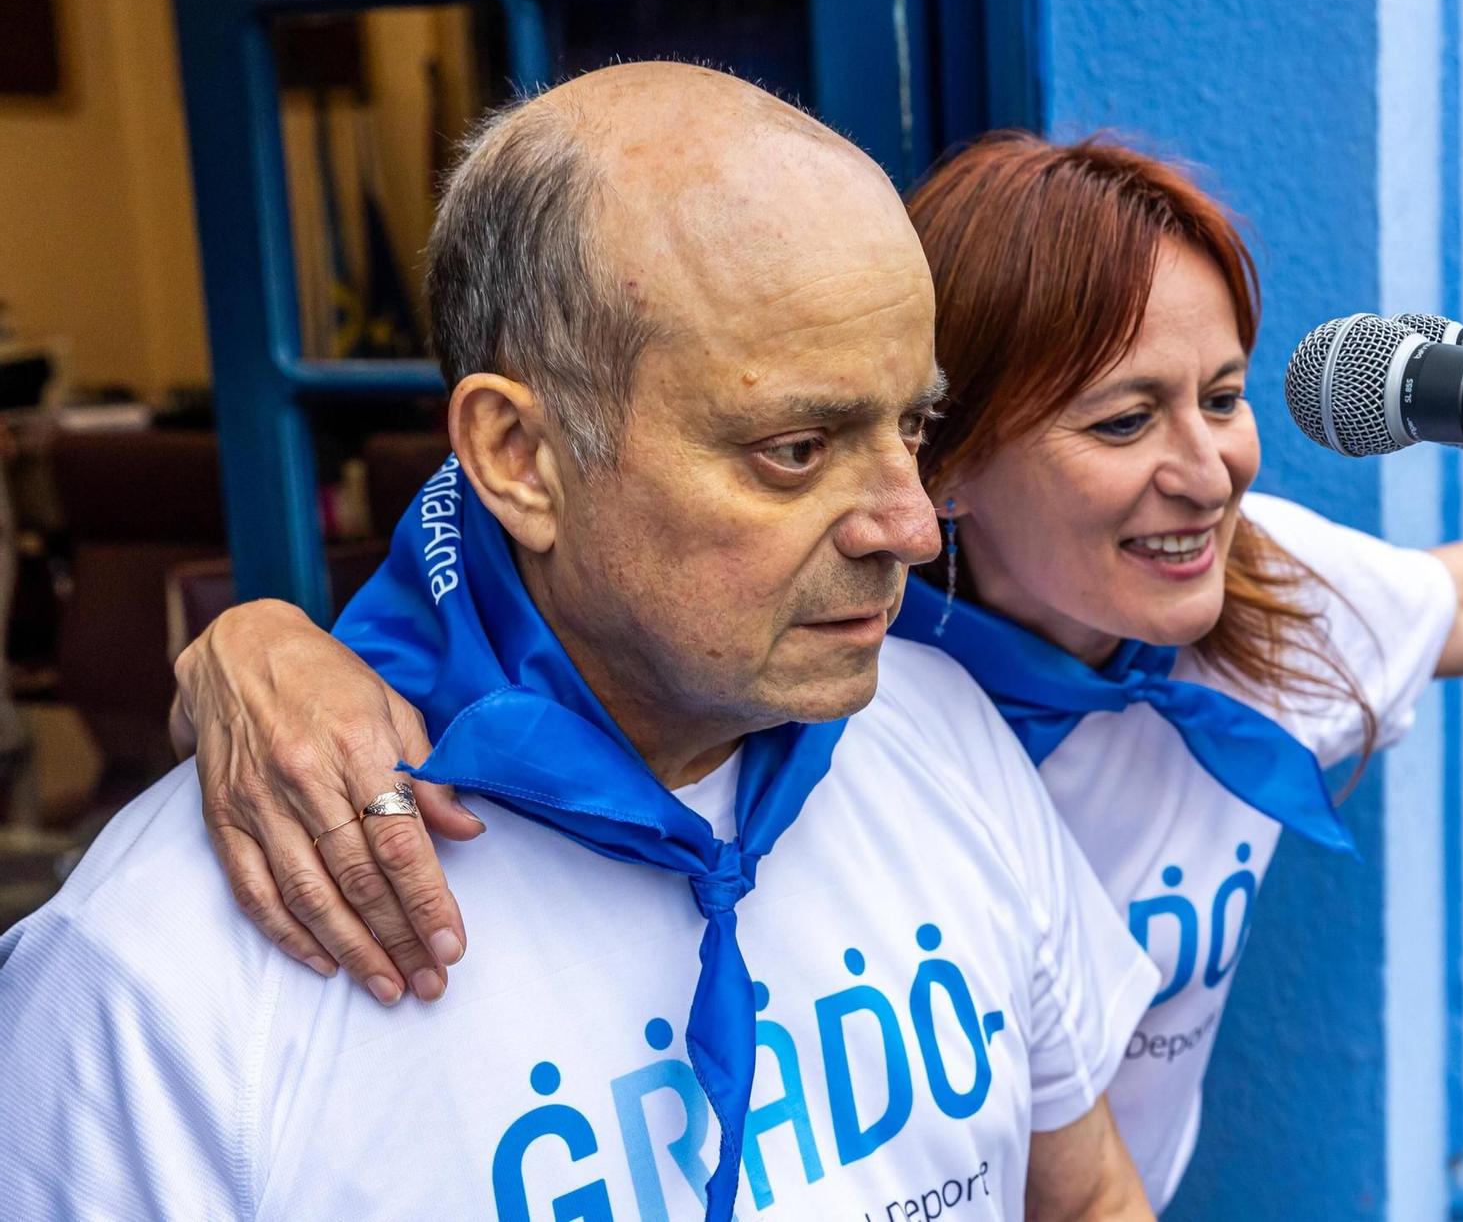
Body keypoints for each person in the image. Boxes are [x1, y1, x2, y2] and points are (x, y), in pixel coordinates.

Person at [169, 132, 1463, 1209]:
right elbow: (523, 596)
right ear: (950, 462)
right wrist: (250, 646)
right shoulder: (828, 660)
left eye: (1225, 396)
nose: (1206, 470)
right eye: (1120, 421)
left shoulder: (1258, 588)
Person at [0, 68, 1161, 1221]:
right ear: (515, 455)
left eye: (910, 422)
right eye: (795, 449)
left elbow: (1088, 1195)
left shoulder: (935, 729)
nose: (909, 527)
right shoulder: (161, 973)